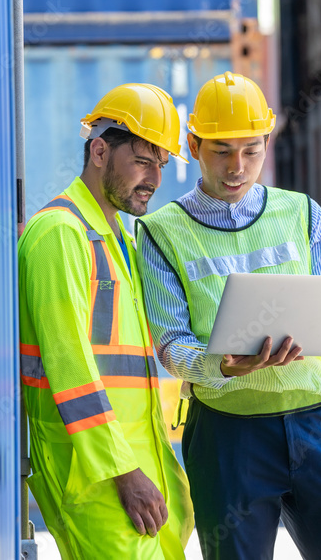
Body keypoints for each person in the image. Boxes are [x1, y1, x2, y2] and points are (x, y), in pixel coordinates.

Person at [135, 72, 321, 560]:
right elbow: (170, 343)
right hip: (230, 436)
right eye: (222, 150)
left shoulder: (302, 213)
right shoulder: (161, 232)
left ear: (267, 143)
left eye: (251, 149)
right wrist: (222, 365)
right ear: (194, 145)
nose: (237, 166)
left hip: (317, 425)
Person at [18, 83, 193, 559]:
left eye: (161, 163)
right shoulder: (60, 234)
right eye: (142, 161)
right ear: (99, 151)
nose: (155, 178)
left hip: (138, 463)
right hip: (98, 472)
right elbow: (69, 364)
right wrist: (123, 471)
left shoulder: (118, 239)